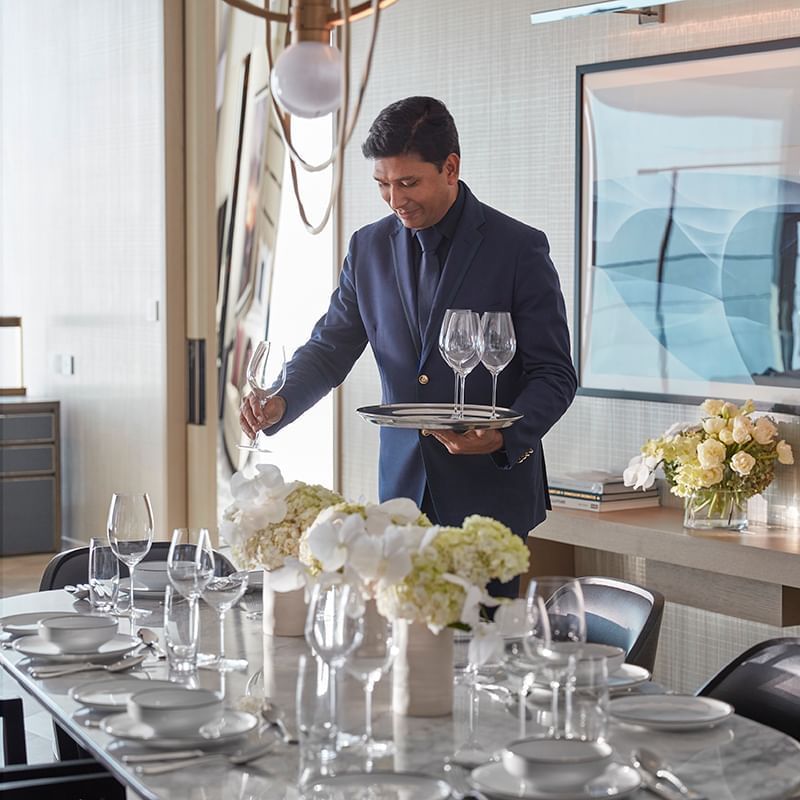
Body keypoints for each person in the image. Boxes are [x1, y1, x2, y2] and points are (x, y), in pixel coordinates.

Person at [240, 96, 577, 597]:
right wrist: (280, 399)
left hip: (490, 495)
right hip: (400, 496)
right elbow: (330, 347)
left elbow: (554, 374)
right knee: (403, 657)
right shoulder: (367, 247)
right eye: (383, 184)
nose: (395, 199)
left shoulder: (518, 249)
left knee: (481, 657)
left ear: (450, 168)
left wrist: (505, 436)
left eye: (408, 182)